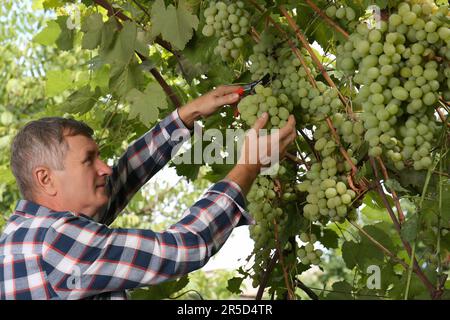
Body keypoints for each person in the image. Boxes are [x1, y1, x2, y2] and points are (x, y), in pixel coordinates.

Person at [0, 85, 296, 299]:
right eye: (89, 160)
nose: (105, 168)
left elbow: (122, 179)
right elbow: (183, 248)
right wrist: (248, 167)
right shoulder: (55, 242)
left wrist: (187, 115)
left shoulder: (27, 236)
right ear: (46, 179)